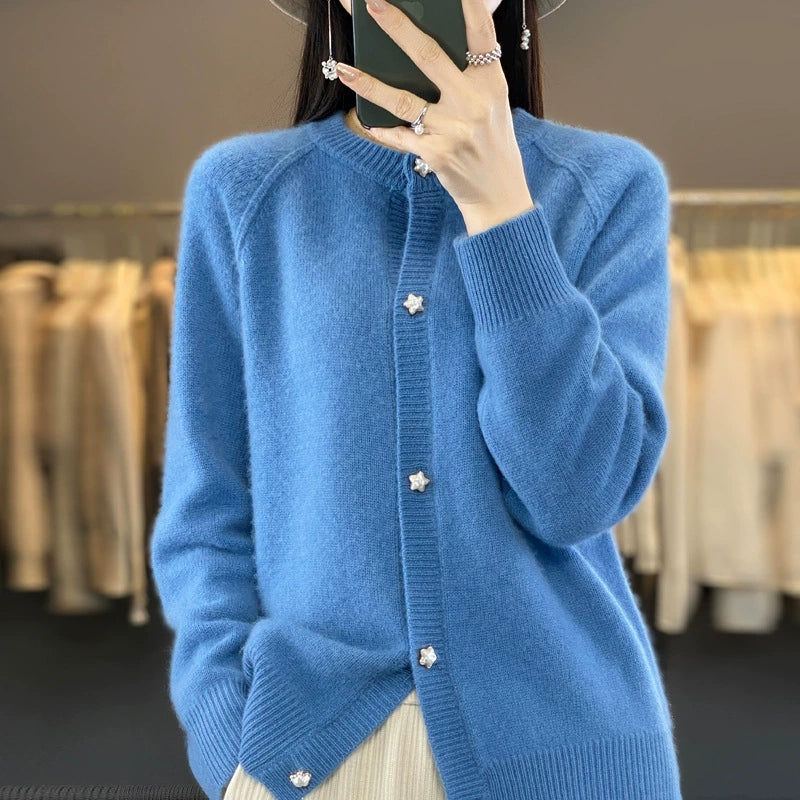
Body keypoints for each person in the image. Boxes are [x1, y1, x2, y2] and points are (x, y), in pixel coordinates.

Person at [148, 0, 684, 798]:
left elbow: (579, 495)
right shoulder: (245, 192)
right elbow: (206, 510)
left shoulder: (606, 186)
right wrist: (225, 733)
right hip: (313, 757)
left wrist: (501, 209)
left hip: (569, 754)